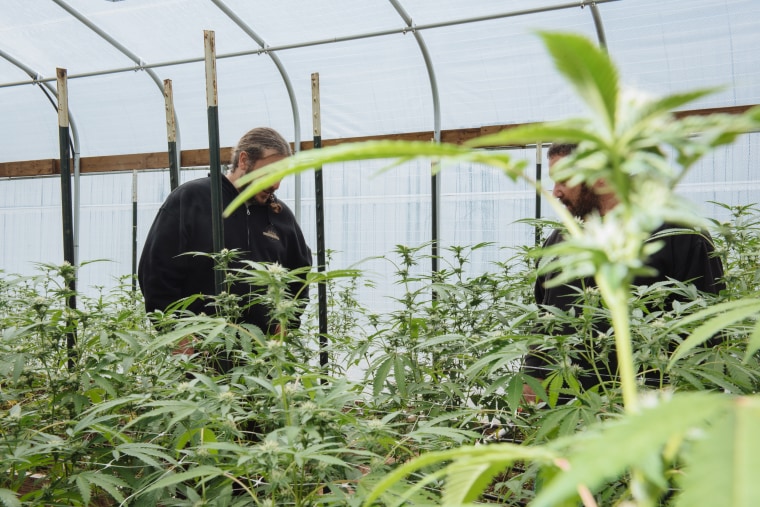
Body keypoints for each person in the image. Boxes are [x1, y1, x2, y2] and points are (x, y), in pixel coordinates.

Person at [523, 143, 725, 399]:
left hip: (643, 406)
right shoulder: (560, 240)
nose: (556, 192)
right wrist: (532, 376)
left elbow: (708, 325)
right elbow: (545, 318)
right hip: (567, 406)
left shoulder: (680, 234)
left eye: (563, 180)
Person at [138, 127, 312, 346]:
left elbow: (300, 276)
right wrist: (176, 335)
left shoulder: (280, 216)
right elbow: (156, 273)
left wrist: (286, 323)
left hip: (262, 356)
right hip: (198, 353)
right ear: (244, 161)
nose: (275, 184)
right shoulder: (192, 199)